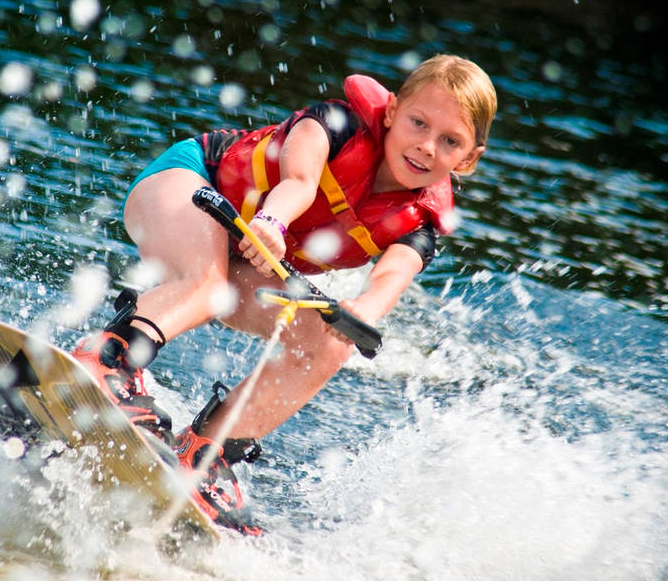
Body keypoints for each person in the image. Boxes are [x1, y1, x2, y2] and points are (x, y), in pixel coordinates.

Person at [72, 54, 497, 535]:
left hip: (244, 259)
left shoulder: (420, 227)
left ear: (468, 159)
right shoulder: (335, 125)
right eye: (418, 123)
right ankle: (107, 360)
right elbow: (299, 181)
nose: (426, 146)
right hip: (188, 187)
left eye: (450, 141)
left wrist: (362, 313)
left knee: (330, 343)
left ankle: (206, 453)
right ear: (393, 111)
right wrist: (272, 221)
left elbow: (391, 278)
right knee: (207, 284)